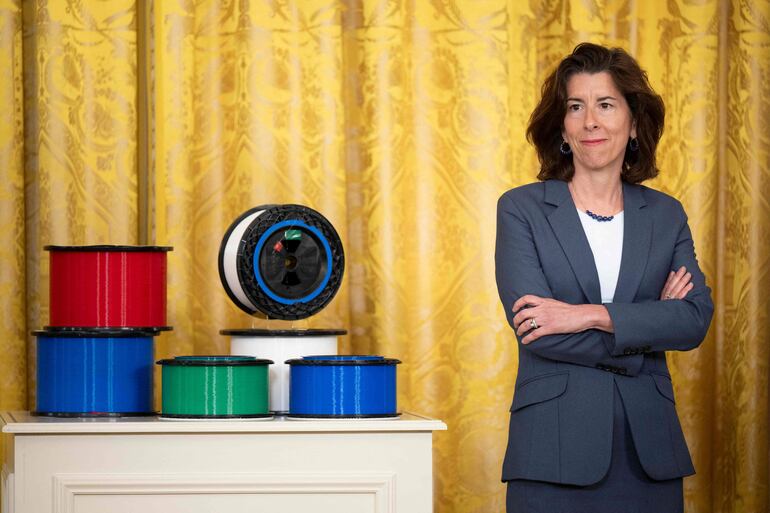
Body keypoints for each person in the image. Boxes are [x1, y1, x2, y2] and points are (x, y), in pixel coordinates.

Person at [495, 42, 713, 513]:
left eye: (606, 104)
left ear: (633, 123)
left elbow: (694, 320)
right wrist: (648, 324)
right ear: (563, 128)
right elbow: (537, 329)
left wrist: (585, 315)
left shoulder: (665, 215)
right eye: (576, 107)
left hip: (649, 453)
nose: (590, 120)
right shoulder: (522, 209)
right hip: (551, 451)